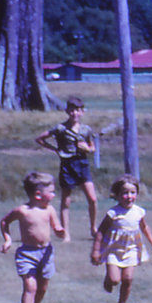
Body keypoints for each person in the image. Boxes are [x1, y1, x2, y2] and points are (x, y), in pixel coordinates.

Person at [0, 170, 65, 303]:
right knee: (30, 286)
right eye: (51, 192)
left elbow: (56, 226)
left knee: (42, 287)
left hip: (46, 253)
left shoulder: (49, 210)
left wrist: (59, 231)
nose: (54, 195)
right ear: (38, 194)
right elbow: (4, 222)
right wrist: (8, 239)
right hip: (27, 253)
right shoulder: (23, 211)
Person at [35, 97, 100, 241]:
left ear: (82, 112)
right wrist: (55, 149)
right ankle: (66, 233)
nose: (74, 113)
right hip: (67, 165)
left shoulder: (86, 129)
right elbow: (40, 138)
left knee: (92, 198)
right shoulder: (60, 128)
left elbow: (93, 147)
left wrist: (88, 149)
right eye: (71, 110)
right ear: (67, 111)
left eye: (77, 110)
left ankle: (93, 228)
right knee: (66, 201)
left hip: (82, 164)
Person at [93, 174, 152, 303]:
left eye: (133, 192)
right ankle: (108, 279)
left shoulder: (139, 212)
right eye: (125, 193)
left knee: (128, 278)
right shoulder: (113, 213)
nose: (129, 196)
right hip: (113, 249)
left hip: (131, 249)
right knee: (115, 280)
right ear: (117, 195)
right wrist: (96, 250)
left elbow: (144, 227)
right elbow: (101, 231)